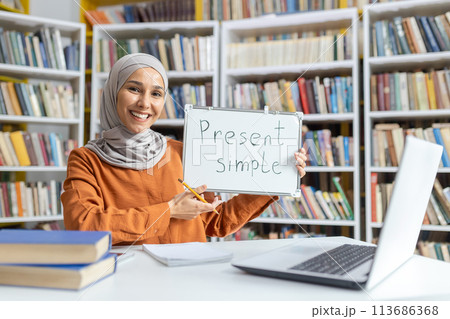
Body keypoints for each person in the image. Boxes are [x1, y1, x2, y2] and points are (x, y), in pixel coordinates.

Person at [62, 53, 307, 246]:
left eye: (156, 94)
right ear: (113, 92)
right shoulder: (86, 160)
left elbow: (216, 221)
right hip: (128, 284)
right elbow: (83, 226)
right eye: (134, 89)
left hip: (190, 280)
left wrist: (278, 177)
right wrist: (168, 211)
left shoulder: (182, 152)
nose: (145, 103)